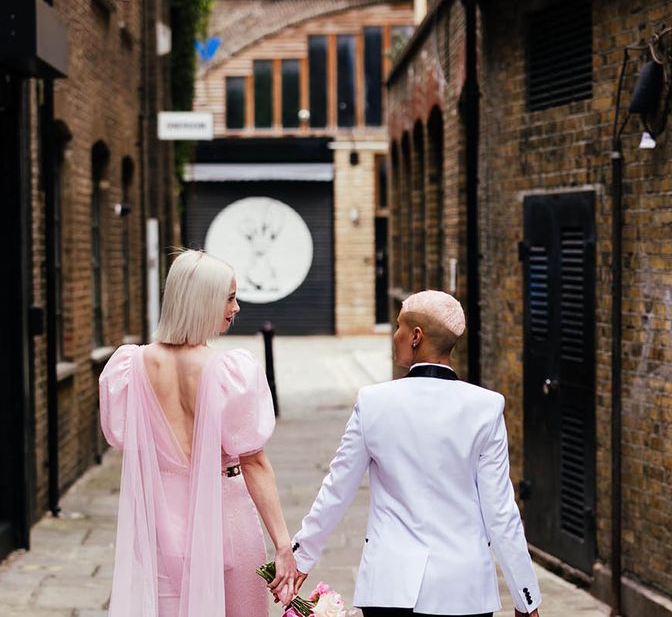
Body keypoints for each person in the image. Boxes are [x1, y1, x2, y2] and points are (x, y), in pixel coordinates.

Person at [291, 290, 542, 617]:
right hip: (463, 590)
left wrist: (300, 557)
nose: (394, 335)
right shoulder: (485, 407)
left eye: (399, 327)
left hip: (389, 588)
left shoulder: (373, 403)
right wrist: (526, 597)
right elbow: (500, 512)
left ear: (416, 337)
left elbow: (337, 489)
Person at [99, 249, 298, 616]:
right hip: (226, 517)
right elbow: (254, 462)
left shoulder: (131, 366)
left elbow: (120, 436)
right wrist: (283, 544)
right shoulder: (229, 372)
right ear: (202, 300)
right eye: (229, 297)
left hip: (161, 523)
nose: (236, 307)